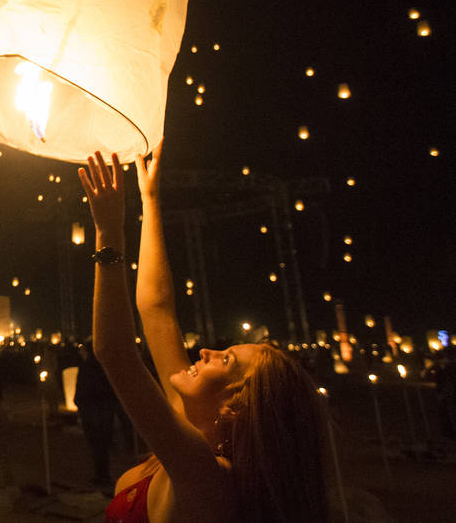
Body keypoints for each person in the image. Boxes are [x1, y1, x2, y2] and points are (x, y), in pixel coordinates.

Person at [78, 146, 327, 522]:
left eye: (226, 360)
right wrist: (150, 201)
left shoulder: (207, 477)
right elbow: (157, 311)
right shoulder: (186, 427)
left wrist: (108, 232)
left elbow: (114, 352)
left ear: (235, 407)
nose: (207, 351)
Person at [74, 338, 119, 493]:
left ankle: (102, 475)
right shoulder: (106, 366)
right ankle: (103, 473)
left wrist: (79, 403)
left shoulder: (87, 367)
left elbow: (83, 388)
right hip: (104, 408)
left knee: (96, 444)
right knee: (103, 443)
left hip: (92, 409)